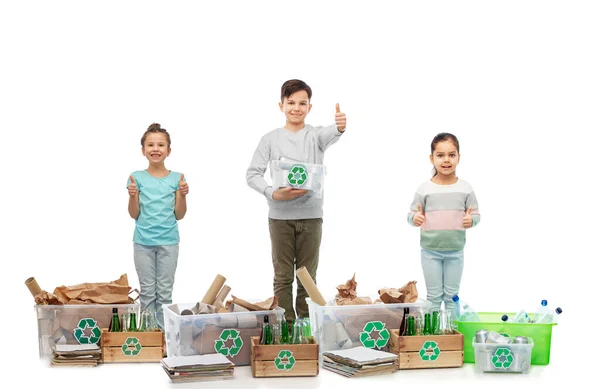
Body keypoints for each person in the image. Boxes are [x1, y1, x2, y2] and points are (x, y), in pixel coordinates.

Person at [246, 79, 347, 325]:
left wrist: (340, 126)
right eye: (291, 102)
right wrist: (273, 193)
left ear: (309, 108)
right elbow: (252, 174)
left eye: (302, 103)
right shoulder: (270, 139)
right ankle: (285, 325)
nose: (296, 108)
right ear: (281, 105)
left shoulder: (315, 136)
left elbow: (332, 132)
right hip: (280, 219)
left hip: (311, 217)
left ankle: (305, 325)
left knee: (307, 277)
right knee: (282, 277)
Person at [407, 132, 480, 311]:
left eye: (451, 155)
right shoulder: (425, 189)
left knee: (451, 297)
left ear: (458, 158)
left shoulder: (466, 188)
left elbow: (476, 215)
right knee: (433, 297)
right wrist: (415, 218)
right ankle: (431, 335)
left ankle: (451, 335)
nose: (446, 160)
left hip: (455, 251)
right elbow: (411, 215)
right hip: (430, 252)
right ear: (432, 158)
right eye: (440, 155)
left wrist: (471, 220)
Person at [127, 123, 188, 329]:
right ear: (143, 150)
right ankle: (147, 336)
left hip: (169, 242)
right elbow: (133, 214)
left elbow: (179, 214)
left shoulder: (177, 178)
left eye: (161, 145)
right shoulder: (136, 177)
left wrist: (183, 195)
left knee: (164, 292)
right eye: (150, 144)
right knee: (147, 291)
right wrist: (133, 197)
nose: (155, 149)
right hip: (143, 242)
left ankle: (163, 336)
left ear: (168, 150)